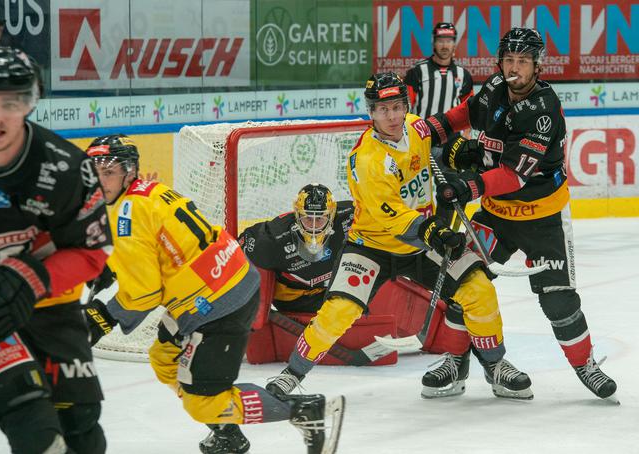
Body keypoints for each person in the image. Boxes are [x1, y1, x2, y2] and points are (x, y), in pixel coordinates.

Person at [266, 71, 532, 401]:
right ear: (371, 112)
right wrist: (434, 230)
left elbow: (438, 141)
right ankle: (293, 373)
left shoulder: (413, 126)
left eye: (397, 107)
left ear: (406, 105)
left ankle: (494, 364)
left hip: (419, 245)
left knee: (478, 289)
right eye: (382, 109)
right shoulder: (368, 161)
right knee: (338, 311)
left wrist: (461, 151)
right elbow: (393, 218)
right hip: (372, 246)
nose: (391, 116)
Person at [83, 134, 344, 454]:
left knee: (202, 402)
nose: (100, 179)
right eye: (94, 170)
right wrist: (114, 268)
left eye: (108, 171)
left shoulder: (126, 214)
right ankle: (227, 433)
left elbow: (143, 295)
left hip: (217, 303)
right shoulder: (149, 190)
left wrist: (102, 316)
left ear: (130, 171)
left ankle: (303, 411)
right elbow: (158, 243)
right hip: (221, 283)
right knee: (164, 358)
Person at [426, 27, 618, 401]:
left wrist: (467, 186)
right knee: (461, 281)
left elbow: (513, 175)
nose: (515, 68)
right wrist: (431, 128)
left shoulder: (543, 111)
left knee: (557, 299)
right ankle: (455, 360)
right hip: (495, 214)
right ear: (500, 62)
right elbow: (467, 112)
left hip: (542, 218)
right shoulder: (496, 85)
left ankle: (585, 365)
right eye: (509, 60)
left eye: (523, 62)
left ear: (537, 66)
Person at [0, 47, 111, 453]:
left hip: (49, 303)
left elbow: (93, 253)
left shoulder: (64, 167)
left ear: (30, 103)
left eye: (11, 102)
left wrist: (30, 277)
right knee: (35, 432)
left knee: (82, 432)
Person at [238, 183, 352, 314]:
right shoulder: (274, 238)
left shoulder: (349, 218)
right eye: (308, 218)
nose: (314, 226)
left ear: (331, 215)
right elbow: (238, 249)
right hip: (295, 300)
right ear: (297, 215)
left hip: (331, 289)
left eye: (320, 218)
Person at [404, 22, 474, 121]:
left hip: (452, 134)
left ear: (454, 44)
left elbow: (469, 109)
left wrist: (467, 132)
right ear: (434, 43)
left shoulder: (463, 75)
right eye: (440, 41)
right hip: (422, 133)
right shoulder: (417, 71)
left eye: (449, 41)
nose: (445, 46)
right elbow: (405, 105)